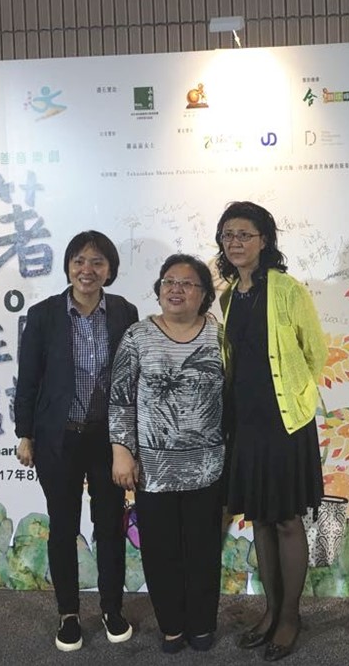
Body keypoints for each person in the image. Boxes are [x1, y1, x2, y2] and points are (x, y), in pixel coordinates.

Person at [215, 201, 329, 662]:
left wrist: (295, 396)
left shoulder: (287, 290)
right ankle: (270, 609)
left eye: (245, 234)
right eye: (228, 235)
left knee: (285, 520)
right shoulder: (226, 297)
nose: (235, 242)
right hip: (245, 425)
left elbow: (315, 352)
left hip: (285, 422)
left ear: (264, 240)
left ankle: (290, 617)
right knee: (259, 519)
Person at [14, 230, 138, 652]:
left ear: (110, 269)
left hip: (108, 440)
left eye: (97, 262)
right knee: (63, 526)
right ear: (68, 266)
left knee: (110, 525)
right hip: (59, 438)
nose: (88, 269)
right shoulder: (44, 314)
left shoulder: (124, 312)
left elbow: (132, 377)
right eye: (79, 261)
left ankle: (112, 609)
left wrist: (131, 440)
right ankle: (68, 613)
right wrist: (25, 434)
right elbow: (28, 380)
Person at [108, 254, 226, 655]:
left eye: (187, 283)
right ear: (158, 289)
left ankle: (202, 624)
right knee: (161, 552)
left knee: (203, 551)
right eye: (169, 281)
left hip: (208, 466)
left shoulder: (219, 336)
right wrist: (122, 453)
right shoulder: (137, 336)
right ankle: (172, 626)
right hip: (153, 469)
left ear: (204, 294)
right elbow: (120, 399)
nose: (176, 289)